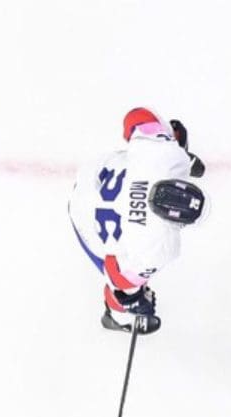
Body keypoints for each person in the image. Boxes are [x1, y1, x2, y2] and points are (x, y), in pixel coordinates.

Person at [68, 108, 206, 334]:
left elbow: (136, 116)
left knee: (129, 275)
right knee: (122, 286)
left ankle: (124, 303)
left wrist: (168, 140)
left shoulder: (161, 157)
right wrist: (132, 299)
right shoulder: (157, 247)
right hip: (83, 222)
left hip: (90, 176)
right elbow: (117, 276)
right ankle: (117, 315)